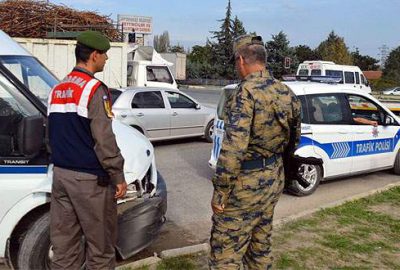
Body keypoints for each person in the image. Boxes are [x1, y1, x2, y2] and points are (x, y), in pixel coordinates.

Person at [209, 35, 301, 269]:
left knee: (225, 254)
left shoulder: (245, 92)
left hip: (245, 187)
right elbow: (294, 139)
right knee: (260, 247)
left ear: (241, 60)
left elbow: (233, 148)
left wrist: (221, 190)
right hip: (272, 179)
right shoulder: (285, 91)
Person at [47, 30, 127, 269]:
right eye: (104, 54)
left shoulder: (58, 89)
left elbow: (50, 136)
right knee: (101, 250)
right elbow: (104, 140)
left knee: (64, 249)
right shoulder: (94, 89)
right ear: (94, 55)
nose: (106, 59)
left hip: (61, 176)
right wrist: (118, 175)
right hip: (89, 182)